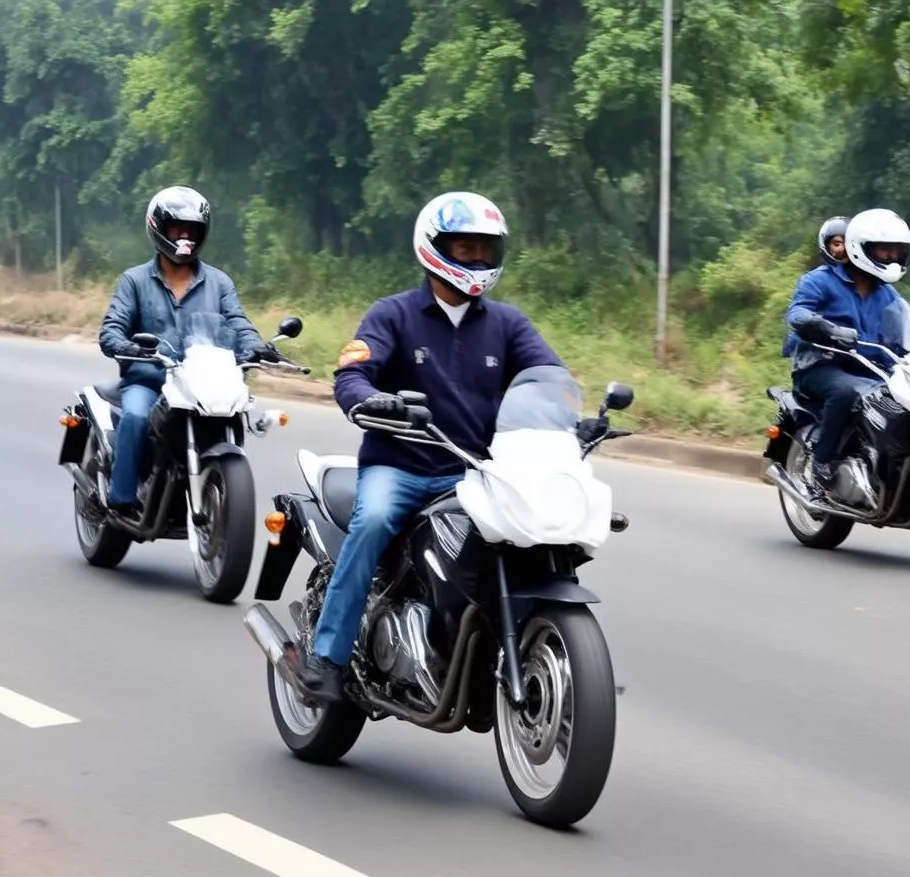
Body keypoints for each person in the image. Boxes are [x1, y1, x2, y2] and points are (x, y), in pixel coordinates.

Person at [298, 190, 565, 701]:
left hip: (474, 472)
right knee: (372, 522)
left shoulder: (508, 324)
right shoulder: (393, 315)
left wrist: (570, 419)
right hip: (400, 466)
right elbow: (352, 374)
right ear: (434, 247)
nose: (477, 260)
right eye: (465, 248)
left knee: (530, 534)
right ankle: (327, 659)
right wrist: (373, 400)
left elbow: (547, 375)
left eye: (485, 249)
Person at [98, 185, 281, 517]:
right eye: (177, 229)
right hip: (149, 379)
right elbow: (113, 326)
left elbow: (238, 321)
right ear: (159, 229)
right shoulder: (134, 280)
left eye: (192, 230)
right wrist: (123, 344)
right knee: (137, 416)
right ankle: (122, 497)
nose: (185, 236)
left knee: (232, 412)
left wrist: (257, 347)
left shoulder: (219, 282)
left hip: (202, 381)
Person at [784, 207, 910, 494]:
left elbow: (905, 333)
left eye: (896, 252)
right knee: (843, 391)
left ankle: (889, 469)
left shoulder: (888, 294)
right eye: (884, 251)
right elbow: (796, 314)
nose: (891, 257)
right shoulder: (819, 280)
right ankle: (822, 464)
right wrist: (825, 328)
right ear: (862, 249)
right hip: (820, 366)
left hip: (868, 371)